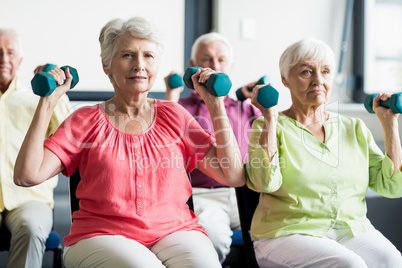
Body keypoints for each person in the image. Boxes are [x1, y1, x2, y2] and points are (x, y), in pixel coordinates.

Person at [13, 17, 245, 268]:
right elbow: (27, 175)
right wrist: (48, 101)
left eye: (148, 56)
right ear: (106, 65)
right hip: (102, 235)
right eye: (127, 55)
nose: (139, 65)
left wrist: (215, 103)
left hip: (176, 232)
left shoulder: (175, 116)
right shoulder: (84, 120)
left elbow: (232, 175)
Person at [246, 37, 402, 267]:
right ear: (284, 79)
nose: (318, 80)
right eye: (306, 72)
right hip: (287, 233)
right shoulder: (268, 126)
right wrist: (270, 117)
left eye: (326, 71)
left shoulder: (354, 127)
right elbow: (264, 183)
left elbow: (391, 186)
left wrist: (390, 124)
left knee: (391, 259)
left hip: (351, 230)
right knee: (350, 264)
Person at [164, 32, 262, 263]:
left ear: (231, 65)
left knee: (282, 234)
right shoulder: (180, 106)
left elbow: (272, 142)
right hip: (203, 195)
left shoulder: (246, 109)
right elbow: (163, 137)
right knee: (213, 239)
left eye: (221, 60)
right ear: (192, 65)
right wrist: (171, 93)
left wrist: (260, 104)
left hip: (246, 193)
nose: (214, 66)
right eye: (207, 59)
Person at [0, 29, 70, 268]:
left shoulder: (36, 98)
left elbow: (68, 136)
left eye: (10, 53)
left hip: (30, 198)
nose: (3, 58)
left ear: (19, 60)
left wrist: (53, 93)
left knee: (30, 228)